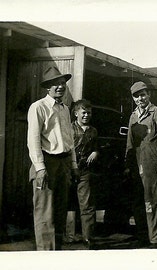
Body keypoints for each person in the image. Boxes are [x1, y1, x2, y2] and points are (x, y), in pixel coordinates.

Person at [27, 66, 79, 250]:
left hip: (63, 164)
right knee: (45, 211)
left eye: (63, 83)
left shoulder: (65, 109)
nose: (60, 87)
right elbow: (33, 140)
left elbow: (69, 139)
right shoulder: (38, 107)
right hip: (46, 163)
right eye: (55, 84)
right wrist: (40, 168)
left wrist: (73, 165)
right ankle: (45, 254)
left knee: (60, 210)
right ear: (47, 87)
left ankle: (56, 253)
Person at [125, 81, 157, 248]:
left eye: (142, 94)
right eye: (136, 96)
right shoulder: (133, 116)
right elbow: (129, 143)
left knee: (152, 200)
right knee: (138, 201)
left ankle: (156, 238)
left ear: (148, 94)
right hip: (136, 163)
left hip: (152, 162)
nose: (140, 98)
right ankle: (142, 236)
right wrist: (128, 164)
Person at [65, 99, 98, 248]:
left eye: (89, 113)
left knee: (86, 204)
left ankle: (88, 237)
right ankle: (69, 236)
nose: (86, 115)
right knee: (68, 202)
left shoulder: (93, 131)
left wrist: (95, 152)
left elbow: (96, 147)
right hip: (70, 170)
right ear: (76, 113)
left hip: (85, 171)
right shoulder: (69, 128)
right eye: (83, 112)